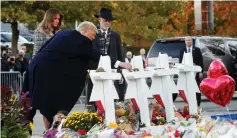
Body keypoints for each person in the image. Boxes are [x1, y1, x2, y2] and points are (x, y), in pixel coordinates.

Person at [28, 21, 102, 131]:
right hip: (47, 71)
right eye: (92, 34)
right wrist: (117, 63)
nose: (93, 38)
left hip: (37, 67)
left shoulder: (62, 34)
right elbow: (94, 54)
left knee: (35, 104)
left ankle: (46, 131)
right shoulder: (80, 39)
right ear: (84, 31)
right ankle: (51, 130)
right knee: (49, 104)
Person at [86, 8, 132, 106]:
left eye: (109, 21)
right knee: (95, 102)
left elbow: (120, 55)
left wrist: (121, 72)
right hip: (95, 72)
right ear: (99, 19)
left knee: (113, 102)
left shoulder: (115, 36)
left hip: (112, 72)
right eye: (105, 20)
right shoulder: (93, 34)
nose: (107, 23)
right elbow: (93, 54)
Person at [174, 36, 204, 107]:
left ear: (192, 41)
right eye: (187, 40)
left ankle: (198, 103)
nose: (188, 42)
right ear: (185, 42)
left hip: (195, 72)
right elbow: (180, 62)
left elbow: (201, 61)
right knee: (187, 88)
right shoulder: (182, 50)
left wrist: (201, 71)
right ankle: (189, 103)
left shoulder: (197, 50)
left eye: (189, 40)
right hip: (186, 73)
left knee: (196, 87)